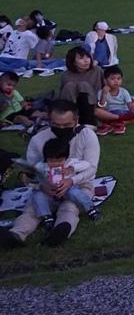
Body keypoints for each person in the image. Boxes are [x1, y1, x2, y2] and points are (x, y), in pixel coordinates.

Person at [0, 99, 101, 249]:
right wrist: (42, 186)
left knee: (70, 207)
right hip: (46, 185)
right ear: (49, 120)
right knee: (32, 209)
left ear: (76, 119)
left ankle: (60, 231)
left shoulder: (87, 136)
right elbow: (32, 171)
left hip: (79, 184)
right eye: (56, 125)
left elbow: (91, 167)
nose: (61, 129)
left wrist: (71, 181)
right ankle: (16, 235)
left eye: (66, 125)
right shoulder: (38, 140)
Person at [30, 137, 101, 231]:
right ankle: (46, 217)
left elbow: (87, 164)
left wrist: (72, 168)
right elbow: (33, 178)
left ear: (66, 158)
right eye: (51, 161)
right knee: (38, 196)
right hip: (50, 192)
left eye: (59, 161)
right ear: (46, 158)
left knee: (76, 193)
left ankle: (90, 208)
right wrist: (42, 184)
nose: (55, 164)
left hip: (68, 189)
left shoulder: (70, 163)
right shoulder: (42, 167)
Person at [94, 65, 134, 135]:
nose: (116, 81)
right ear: (105, 81)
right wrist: (104, 94)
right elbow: (102, 108)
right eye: (112, 79)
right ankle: (118, 122)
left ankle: (118, 123)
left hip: (123, 113)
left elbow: (130, 106)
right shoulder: (101, 92)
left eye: (118, 79)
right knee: (96, 111)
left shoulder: (124, 92)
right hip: (109, 114)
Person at [59, 46, 104, 126]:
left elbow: (105, 88)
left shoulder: (97, 70)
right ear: (73, 62)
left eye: (88, 57)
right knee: (70, 85)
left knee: (84, 85)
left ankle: (89, 121)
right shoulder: (66, 75)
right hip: (73, 105)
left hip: (92, 105)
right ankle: (72, 119)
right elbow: (63, 95)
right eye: (81, 58)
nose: (86, 61)